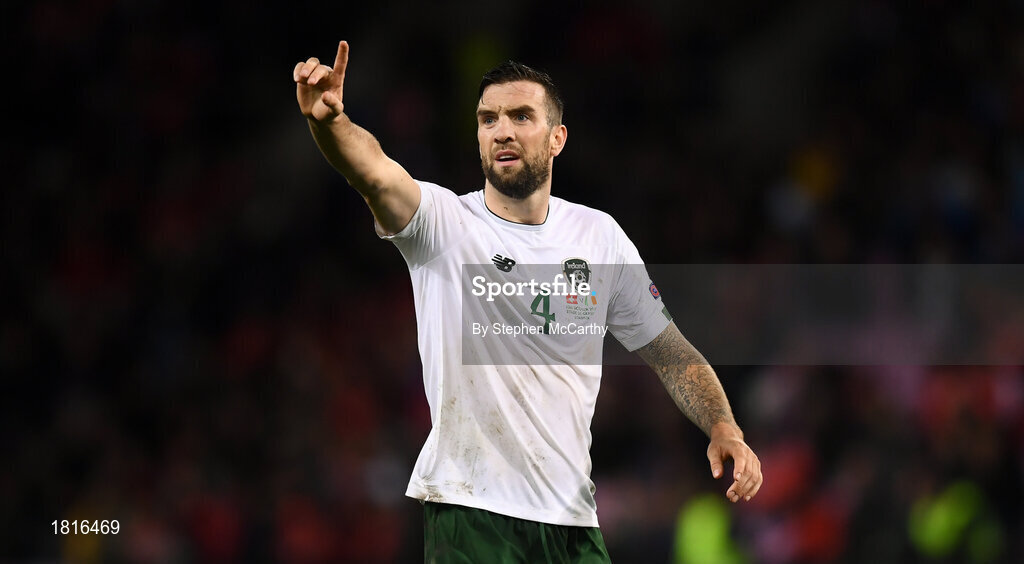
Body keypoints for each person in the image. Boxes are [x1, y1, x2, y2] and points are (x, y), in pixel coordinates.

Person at [293, 41, 762, 563]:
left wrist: (723, 426)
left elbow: (669, 350)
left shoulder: (599, 237)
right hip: (474, 514)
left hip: (572, 523)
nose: (502, 131)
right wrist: (331, 124)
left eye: (521, 116)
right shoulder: (444, 225)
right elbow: (375, 173)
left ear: (557, 138)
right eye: (488, 119)